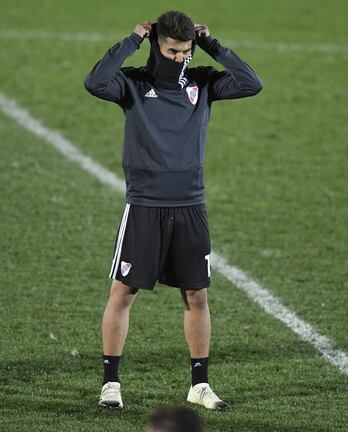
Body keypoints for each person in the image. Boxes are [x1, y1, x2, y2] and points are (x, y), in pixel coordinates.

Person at [84, 10, 262, 411]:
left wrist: (213, 45)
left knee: (197, 294)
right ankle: (110, 383)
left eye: (186, 51)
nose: (181, 57)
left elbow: (252, 83)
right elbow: (95, 81)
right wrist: (131, 39)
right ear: (156, 46)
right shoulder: (132, 83)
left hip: (190, 204)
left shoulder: (204, 82)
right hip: (145, 204)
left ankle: (199, 384)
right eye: (173, 50)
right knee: (124, 293)